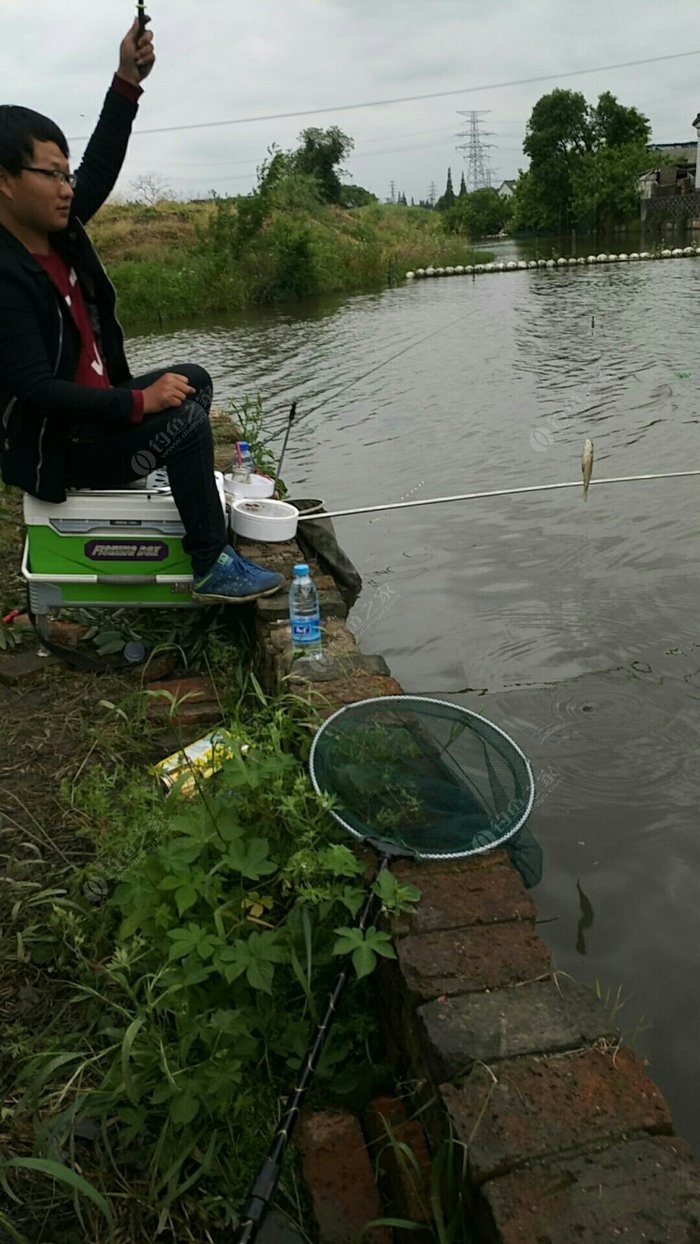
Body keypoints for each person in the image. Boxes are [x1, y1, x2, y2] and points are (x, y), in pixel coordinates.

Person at [0, 18, 284, 603]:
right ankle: (209, 563)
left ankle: (162, 482)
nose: (66, 187)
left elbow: (100, 167)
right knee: (184, 419)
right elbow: (33, 389)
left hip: (95, 424)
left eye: (65, 173)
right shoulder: (5, 276)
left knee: (194, 382)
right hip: (62, 447)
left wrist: (128, 79)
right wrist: (137, 402)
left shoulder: (60, 237)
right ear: (4, 181)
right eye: (50, 174)